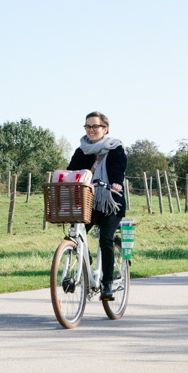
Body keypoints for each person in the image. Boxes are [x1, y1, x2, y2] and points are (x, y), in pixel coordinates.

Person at [67, 110, 127, 299]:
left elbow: (118, 167)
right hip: (89, 202)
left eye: (95, 126)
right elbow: (72, 172)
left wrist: (116, 182)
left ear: (105, 128)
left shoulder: (115, 148)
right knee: (75, 234)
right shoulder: (81, 150)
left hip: (111, 202)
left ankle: (107, 284)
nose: (91, 130)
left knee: (105, 239)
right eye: (88, 126)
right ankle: (82, 257)